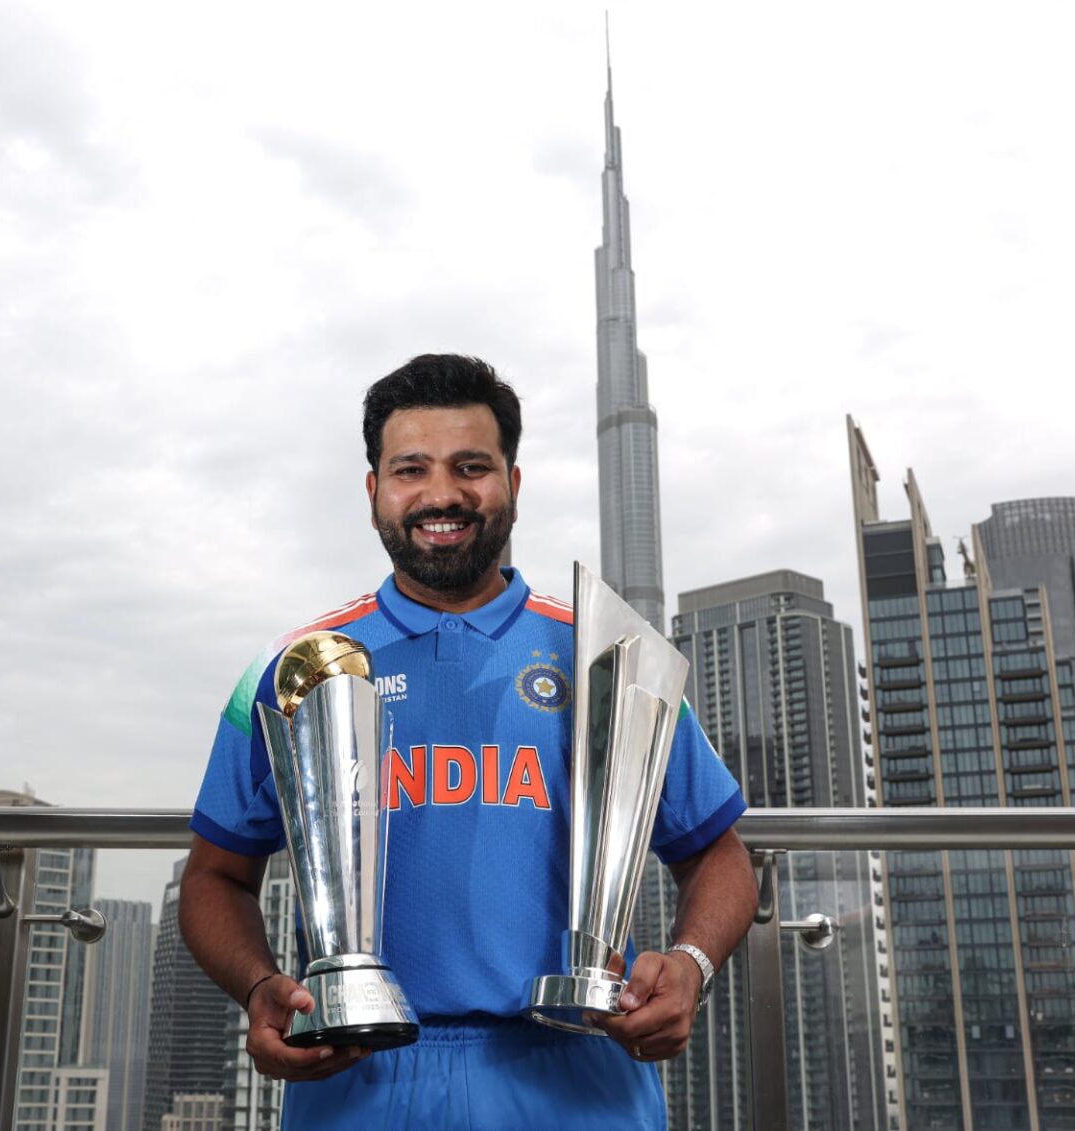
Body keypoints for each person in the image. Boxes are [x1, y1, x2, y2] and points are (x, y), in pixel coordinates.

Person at [181, 354, 758, 1129]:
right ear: (374, 491)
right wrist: (258, 988)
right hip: (359, 1074)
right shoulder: (295, 669)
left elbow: (718, 852)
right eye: (410, 468)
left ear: (514, 485)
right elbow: (214, 876)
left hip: (576, 1071)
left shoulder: (605, 656)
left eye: (472, 466)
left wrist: (689, 965)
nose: (442, 494)